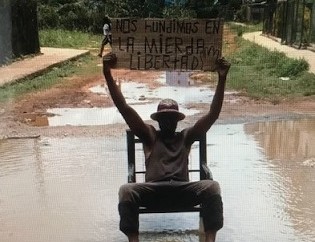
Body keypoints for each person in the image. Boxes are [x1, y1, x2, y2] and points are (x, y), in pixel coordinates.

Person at [103, 53, 230, 242]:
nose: (167, 121)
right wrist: (107, 73)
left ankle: (210, 239)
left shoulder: (185, 137)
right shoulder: (150, 136)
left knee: (212, 187)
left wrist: (222, 78)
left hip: (182, 190)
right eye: (164, 118)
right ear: (158, 120)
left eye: (171, 118)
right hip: (154, 191)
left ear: (177, 120)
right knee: (126, 190)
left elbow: (212, 115)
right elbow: (125, 109)